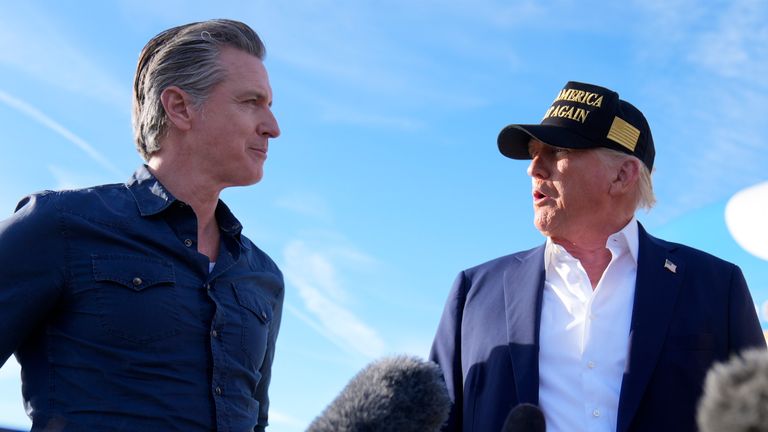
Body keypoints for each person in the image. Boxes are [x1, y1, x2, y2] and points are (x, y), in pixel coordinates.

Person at [429, 81, 766, 432]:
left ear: (623, 174)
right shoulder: (473, 293)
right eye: (533, 153)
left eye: (557, 152)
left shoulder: (715, 286)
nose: (534, 168)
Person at [0, 19, 283, 431]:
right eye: (250, 102)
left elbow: (255, 420)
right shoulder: (58, 226)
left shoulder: (263, 277)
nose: (272, 127)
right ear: (180, 107)